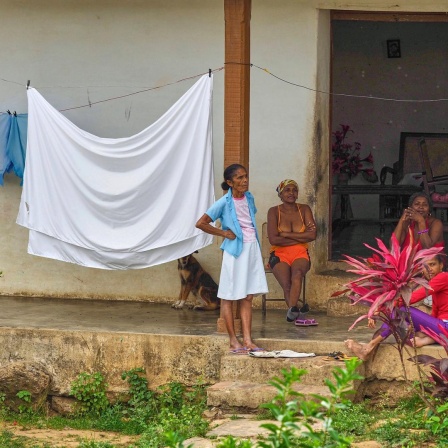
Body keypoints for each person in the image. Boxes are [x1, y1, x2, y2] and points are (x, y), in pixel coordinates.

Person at [196, 164, 268, 354]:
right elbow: (201, 223)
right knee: (228, 296)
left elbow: (249, 219)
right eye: (239, 178)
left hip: (252, 248)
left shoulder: (249, 197)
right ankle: (233, 341)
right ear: (229, 182)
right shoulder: (223, 202)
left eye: (245, 176)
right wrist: (223, 233)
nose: (244, 180)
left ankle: (248, 340)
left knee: (248, 296)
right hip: (235, 252)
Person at [345, 254, 448, 361]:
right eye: (425, 266)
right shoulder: (435, 282)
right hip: (441, 327)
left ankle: (368, 348)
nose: (429, 269)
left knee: (401, 311)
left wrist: (379, 308)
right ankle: (427, 339)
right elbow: (435, 312)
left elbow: (410, 299)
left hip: (445, 327)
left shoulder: (443, 277)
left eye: (433, 265)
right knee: (403, 325)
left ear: (441, 265)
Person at [267, 179, 317, 324]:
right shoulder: (273, 211)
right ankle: (296, 312)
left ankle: (292, 313)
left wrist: (286, 234)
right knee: (287, 284)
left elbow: (312, 235)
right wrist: (301, 237)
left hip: (300, 252)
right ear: (280, 194)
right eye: (287, 190)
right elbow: (273, 240)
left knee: (297, 275)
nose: (291, 193)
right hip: (278, 254)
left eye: (294, 190)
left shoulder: (304, 209)